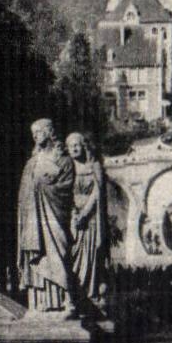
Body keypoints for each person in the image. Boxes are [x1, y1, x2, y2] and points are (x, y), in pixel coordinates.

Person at [17, 120, 76, 315]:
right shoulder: (32, 162)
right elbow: (24, 193)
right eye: (33, 133)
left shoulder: (63, 160)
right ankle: (40, 303)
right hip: (34, 218)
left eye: (39, 132)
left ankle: (67, 301)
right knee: (39, 257)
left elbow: (66, 187)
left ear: (49, 132)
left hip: (54, 215)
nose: (35, 136)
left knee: (58, 253)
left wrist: (42, 186)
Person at [66, 131, 108, 310]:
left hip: (90, 219)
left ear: (83, 146)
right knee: (72, 255)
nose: (74, 148)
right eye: (71, 146)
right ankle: (75, 294)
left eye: (77, 144)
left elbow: (98, 192)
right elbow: (64, 192)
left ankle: (90, 294)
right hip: (72, 218)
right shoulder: (67, 168)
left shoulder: (94, 166)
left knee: (90, 257)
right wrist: (73, 212)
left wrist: (84, 213)